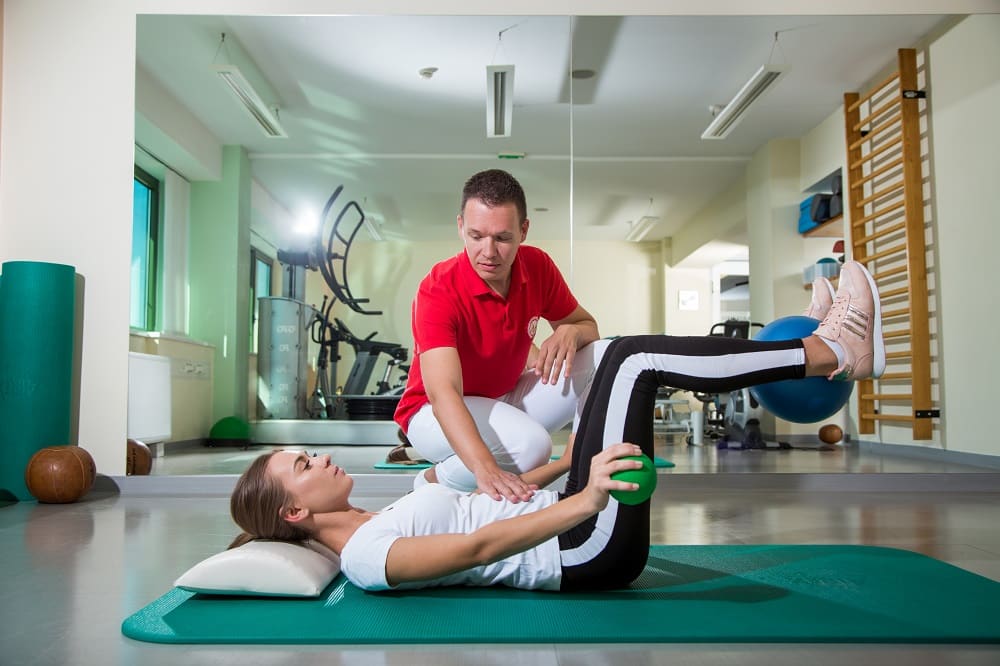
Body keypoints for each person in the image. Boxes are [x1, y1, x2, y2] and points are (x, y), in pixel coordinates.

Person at [229, 260, 885, 593]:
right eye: (303, 466)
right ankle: (829, 351)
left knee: (612, 354)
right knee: (635, 361)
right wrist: (586, 498)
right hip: (582, 550)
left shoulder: (390, 510)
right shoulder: (366, 558)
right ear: (293, 513)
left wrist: (572, 464)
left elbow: (504, 492)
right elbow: (478, 549)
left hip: (575, 517)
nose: (318, 458)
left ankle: (817, 343)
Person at [391, 169, 603, 503]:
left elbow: (588, 326)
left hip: (504, 400)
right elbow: (444, 393)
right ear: (460, 226)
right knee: (533, 447)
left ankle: (582, 456)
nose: (488, 251)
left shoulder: (537, 266)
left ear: (523, 230)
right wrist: (485, 468)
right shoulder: (438, 289)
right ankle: (433, 481)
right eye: (476, 236)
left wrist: (571, 331)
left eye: (502, 238)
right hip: (430, 412)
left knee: (603, 354)